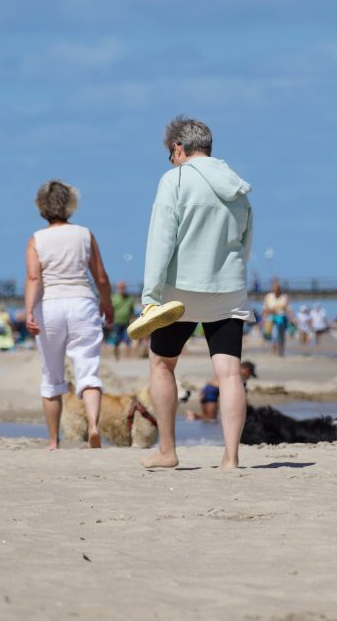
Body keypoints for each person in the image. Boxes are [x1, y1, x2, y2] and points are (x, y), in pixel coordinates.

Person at [138, 116, 254, 470]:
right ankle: (231, 457)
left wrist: (149, 296)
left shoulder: (174, 180)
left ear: (178, 147)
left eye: (169, 153)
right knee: (230, 373)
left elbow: (161, 240)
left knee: (162, 364)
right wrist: (233, 275)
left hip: (180, 290)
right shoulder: (236, 184)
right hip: (227, 287)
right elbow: (245, 239)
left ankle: (168, 450)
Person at [24, 180, 114, 450]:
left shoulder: (36, 239)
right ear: (70, 205)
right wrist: (107, 303)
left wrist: (28, 311)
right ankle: (94, 426)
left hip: (50, 305)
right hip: (82, 303)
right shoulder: (85, 234)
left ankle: (53, 441)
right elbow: (100, 276)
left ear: (41, 206)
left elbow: (33, 277)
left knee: (51, 377)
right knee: (88, 369)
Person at [187, 361, 257, 422]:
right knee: (211, 418)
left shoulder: (230, 369)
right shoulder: (238, 376)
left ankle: (194, 416)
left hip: (206, 390)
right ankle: (193, 415)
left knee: (208, 417)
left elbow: (214, 381)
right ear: (247, 370)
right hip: (212, 392)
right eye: (250, 374)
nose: (248, 377)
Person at [262, 279, 291, 356]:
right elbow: (265, 308)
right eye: (274, 288)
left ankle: (281, 351)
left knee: (281, 335)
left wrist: (292, 319)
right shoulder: (268, 296)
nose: (276, 290)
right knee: (274, 335)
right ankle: (276, 352)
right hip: (271, 318)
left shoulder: (284, 297)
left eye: (278, 288)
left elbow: (287, 308)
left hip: (282, 318)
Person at [109, 281, 135, 360]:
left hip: (127, 323)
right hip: (116, 322)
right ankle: (116, 356)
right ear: (118, 288)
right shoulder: (113, 297)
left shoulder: (130, 299)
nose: (122, 289)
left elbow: (132, 311)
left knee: (127, 340)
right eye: (120, 288)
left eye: (123, 287)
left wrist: (132, 320)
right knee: (116, 341)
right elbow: (110, 310)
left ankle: (127, 357)